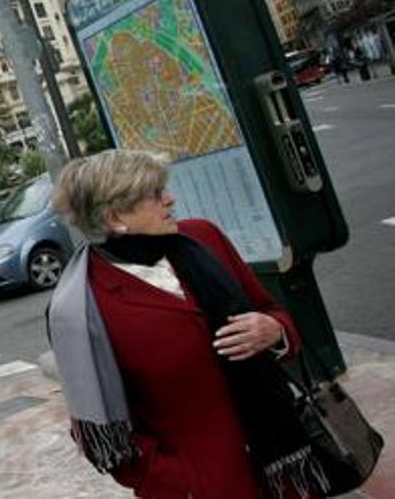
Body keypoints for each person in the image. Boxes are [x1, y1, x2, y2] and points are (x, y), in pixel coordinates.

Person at [48, 150, 324, 499]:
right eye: (154, 194)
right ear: (115, 217)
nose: (170, 198)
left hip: (288, 464)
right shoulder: (83, 306)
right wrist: (173, 482)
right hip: (208, 484)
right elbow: (97, 429)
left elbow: (273, 312)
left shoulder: (203, 238)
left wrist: (274, 331)